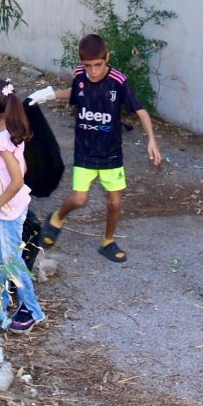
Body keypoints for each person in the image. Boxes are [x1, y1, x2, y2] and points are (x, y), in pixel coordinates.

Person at [29, 33, 161, 263]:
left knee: (115, 202)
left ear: (107, 58)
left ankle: (107, 241)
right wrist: (49, 95)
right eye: (87, 65)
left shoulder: (118, 81)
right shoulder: (80, 76)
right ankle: (57, 218)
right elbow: (76, 94)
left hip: (111, 153)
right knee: (79, 199)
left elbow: (140, 110)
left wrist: (152, 139)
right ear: (81, 63)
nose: (93, 71)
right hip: (85, 149)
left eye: (98, 65)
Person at [0, 80, 46, 332]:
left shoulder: (1, 142)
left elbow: (17, 180)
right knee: (0, 256)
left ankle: (32, 308)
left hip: (6, 211)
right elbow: (23, 169)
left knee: (11, 261)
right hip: (10, 208)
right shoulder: (12, 134)